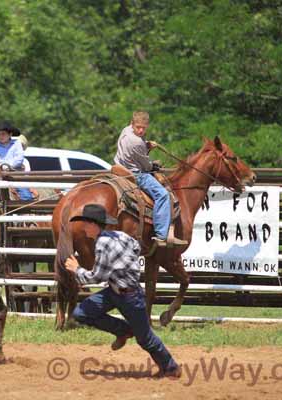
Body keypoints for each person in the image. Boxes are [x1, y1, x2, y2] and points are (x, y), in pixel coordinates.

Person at [65, 204, 182, 378]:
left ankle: (171, 367)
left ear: (93, 224)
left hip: (128, 296)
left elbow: (97, 277)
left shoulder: (102, 244)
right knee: (82, 313)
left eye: (85, 223)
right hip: (118, 290)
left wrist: (77, 269)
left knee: (145, 338)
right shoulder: (120, 235)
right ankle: (123, 330)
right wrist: (124, 267)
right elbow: (136, 247)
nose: (83, 228)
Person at [114, 111, 186, 247]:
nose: (140, 130)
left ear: (147, 126)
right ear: (132, 124)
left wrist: (146, 145)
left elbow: (136, 151)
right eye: (138, 127)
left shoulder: (126, 131)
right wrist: (154, 164)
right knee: (163, 194)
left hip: (119, 166)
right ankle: (161, 234)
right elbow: (146, 167)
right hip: (136, 174)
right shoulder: (136, 142)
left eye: (143, 128)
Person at [0, 121, 35, 201]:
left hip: (16, 174)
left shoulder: (17, 144)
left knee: (26, 195)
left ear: (10, 134)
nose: (1, 136)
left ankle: (26, 209)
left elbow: (19, 159)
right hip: (1, 174)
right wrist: (4, 167)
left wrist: (7, 167)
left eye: (3, 134)